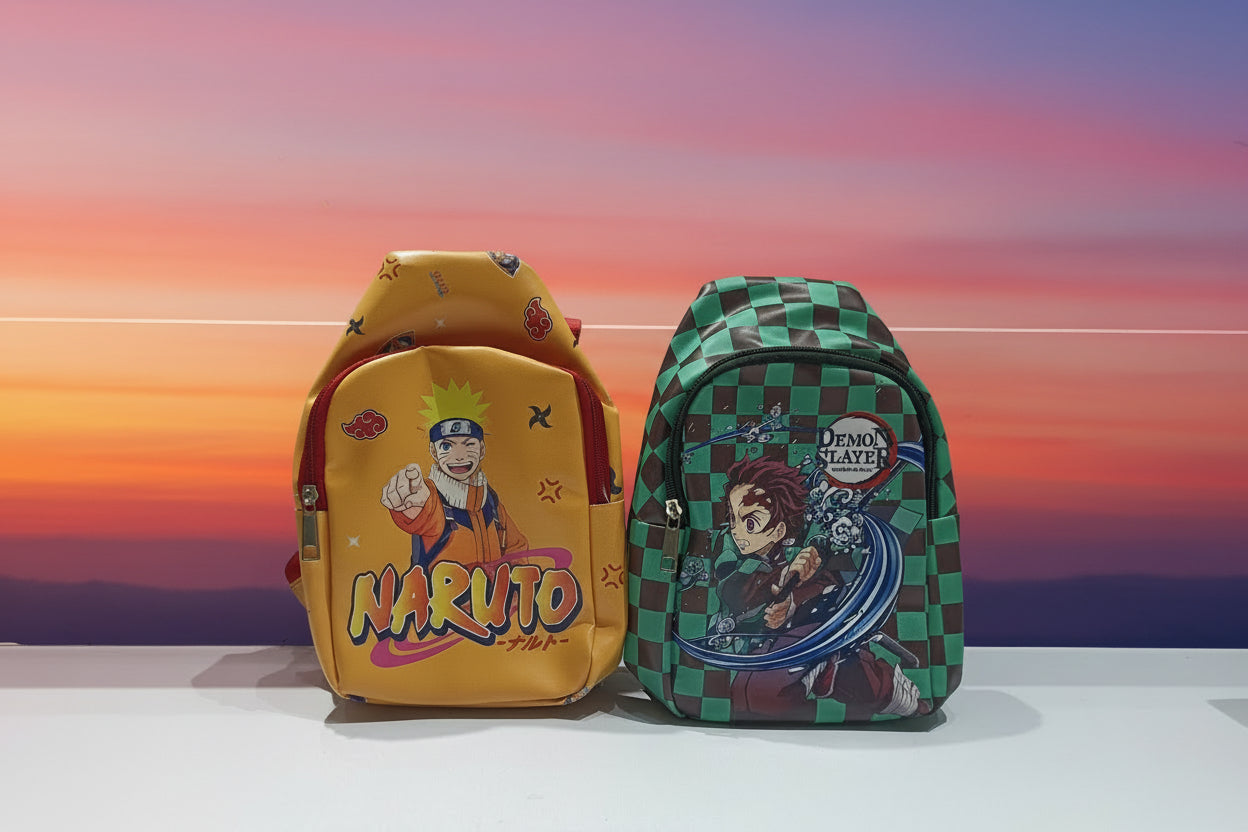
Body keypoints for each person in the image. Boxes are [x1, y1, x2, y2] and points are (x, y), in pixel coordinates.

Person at [710, 453, 926, 720]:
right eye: (733, 519)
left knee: (760, 691)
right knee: (748, 695)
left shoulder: (800, 540)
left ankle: (879, 686)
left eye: (750, 522)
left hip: (805, 631)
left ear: (779, 530)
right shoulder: (729, 547)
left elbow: (832, 570)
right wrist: (781, 582)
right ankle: (843, 673)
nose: (736, 530)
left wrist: (795, 597)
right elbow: (733, 587)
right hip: (748, 642)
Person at [381, 414, 528, 569]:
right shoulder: (431, 498)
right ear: (434, 451)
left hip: (491, 586)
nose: (459, 456)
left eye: (469, 445)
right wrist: (407, 498)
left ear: (482, 450)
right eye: (446, 446)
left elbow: (516, 548)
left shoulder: (491, 502)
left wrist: (515, 580)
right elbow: (422, 513)